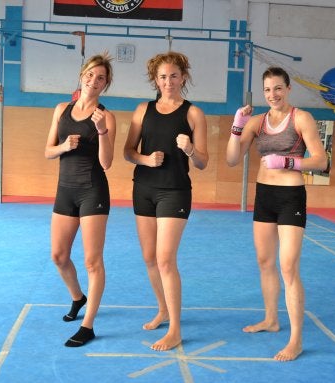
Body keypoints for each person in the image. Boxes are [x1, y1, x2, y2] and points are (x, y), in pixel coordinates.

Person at [226, 66, 328, 361]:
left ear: (288, 89)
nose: (273, 94)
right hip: (264, 197)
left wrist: (288, 162)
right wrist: (237, 126)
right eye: (268, 90)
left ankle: (295, 339)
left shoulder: (301, 118)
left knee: (288, 267)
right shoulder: (257, 122)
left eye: (278, 88)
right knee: (265, 261)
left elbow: (321, 160)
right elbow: (233, 159)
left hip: (290, 196)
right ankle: (271, 320)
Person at [123, 51, 208, 351]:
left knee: (165, 259)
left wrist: (190, 151)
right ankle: (162, 308)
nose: (168, 81)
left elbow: (203, 162)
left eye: (173, 76)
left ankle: (175, 329)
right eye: (162, 77)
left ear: (183, 77)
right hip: (143, 188)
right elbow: (128, 151)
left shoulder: (193, 113)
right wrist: (145, 159)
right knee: (149, 257)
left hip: (174, 191)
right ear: (155, 80)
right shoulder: (142, 110)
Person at [44, 53, 116, 347]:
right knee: (58, 256)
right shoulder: (62, 109)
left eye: (100, 78)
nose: (94, 81)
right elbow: (47, 151)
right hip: (65, 189)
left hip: (92, 190)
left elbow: (107, 162)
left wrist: (100, 131)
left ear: (105, 84)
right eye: (90, 75)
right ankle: (78, 297)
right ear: (81, 76)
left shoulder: (106, 116)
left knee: (92, 260)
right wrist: (62, 145)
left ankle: (88, 325)